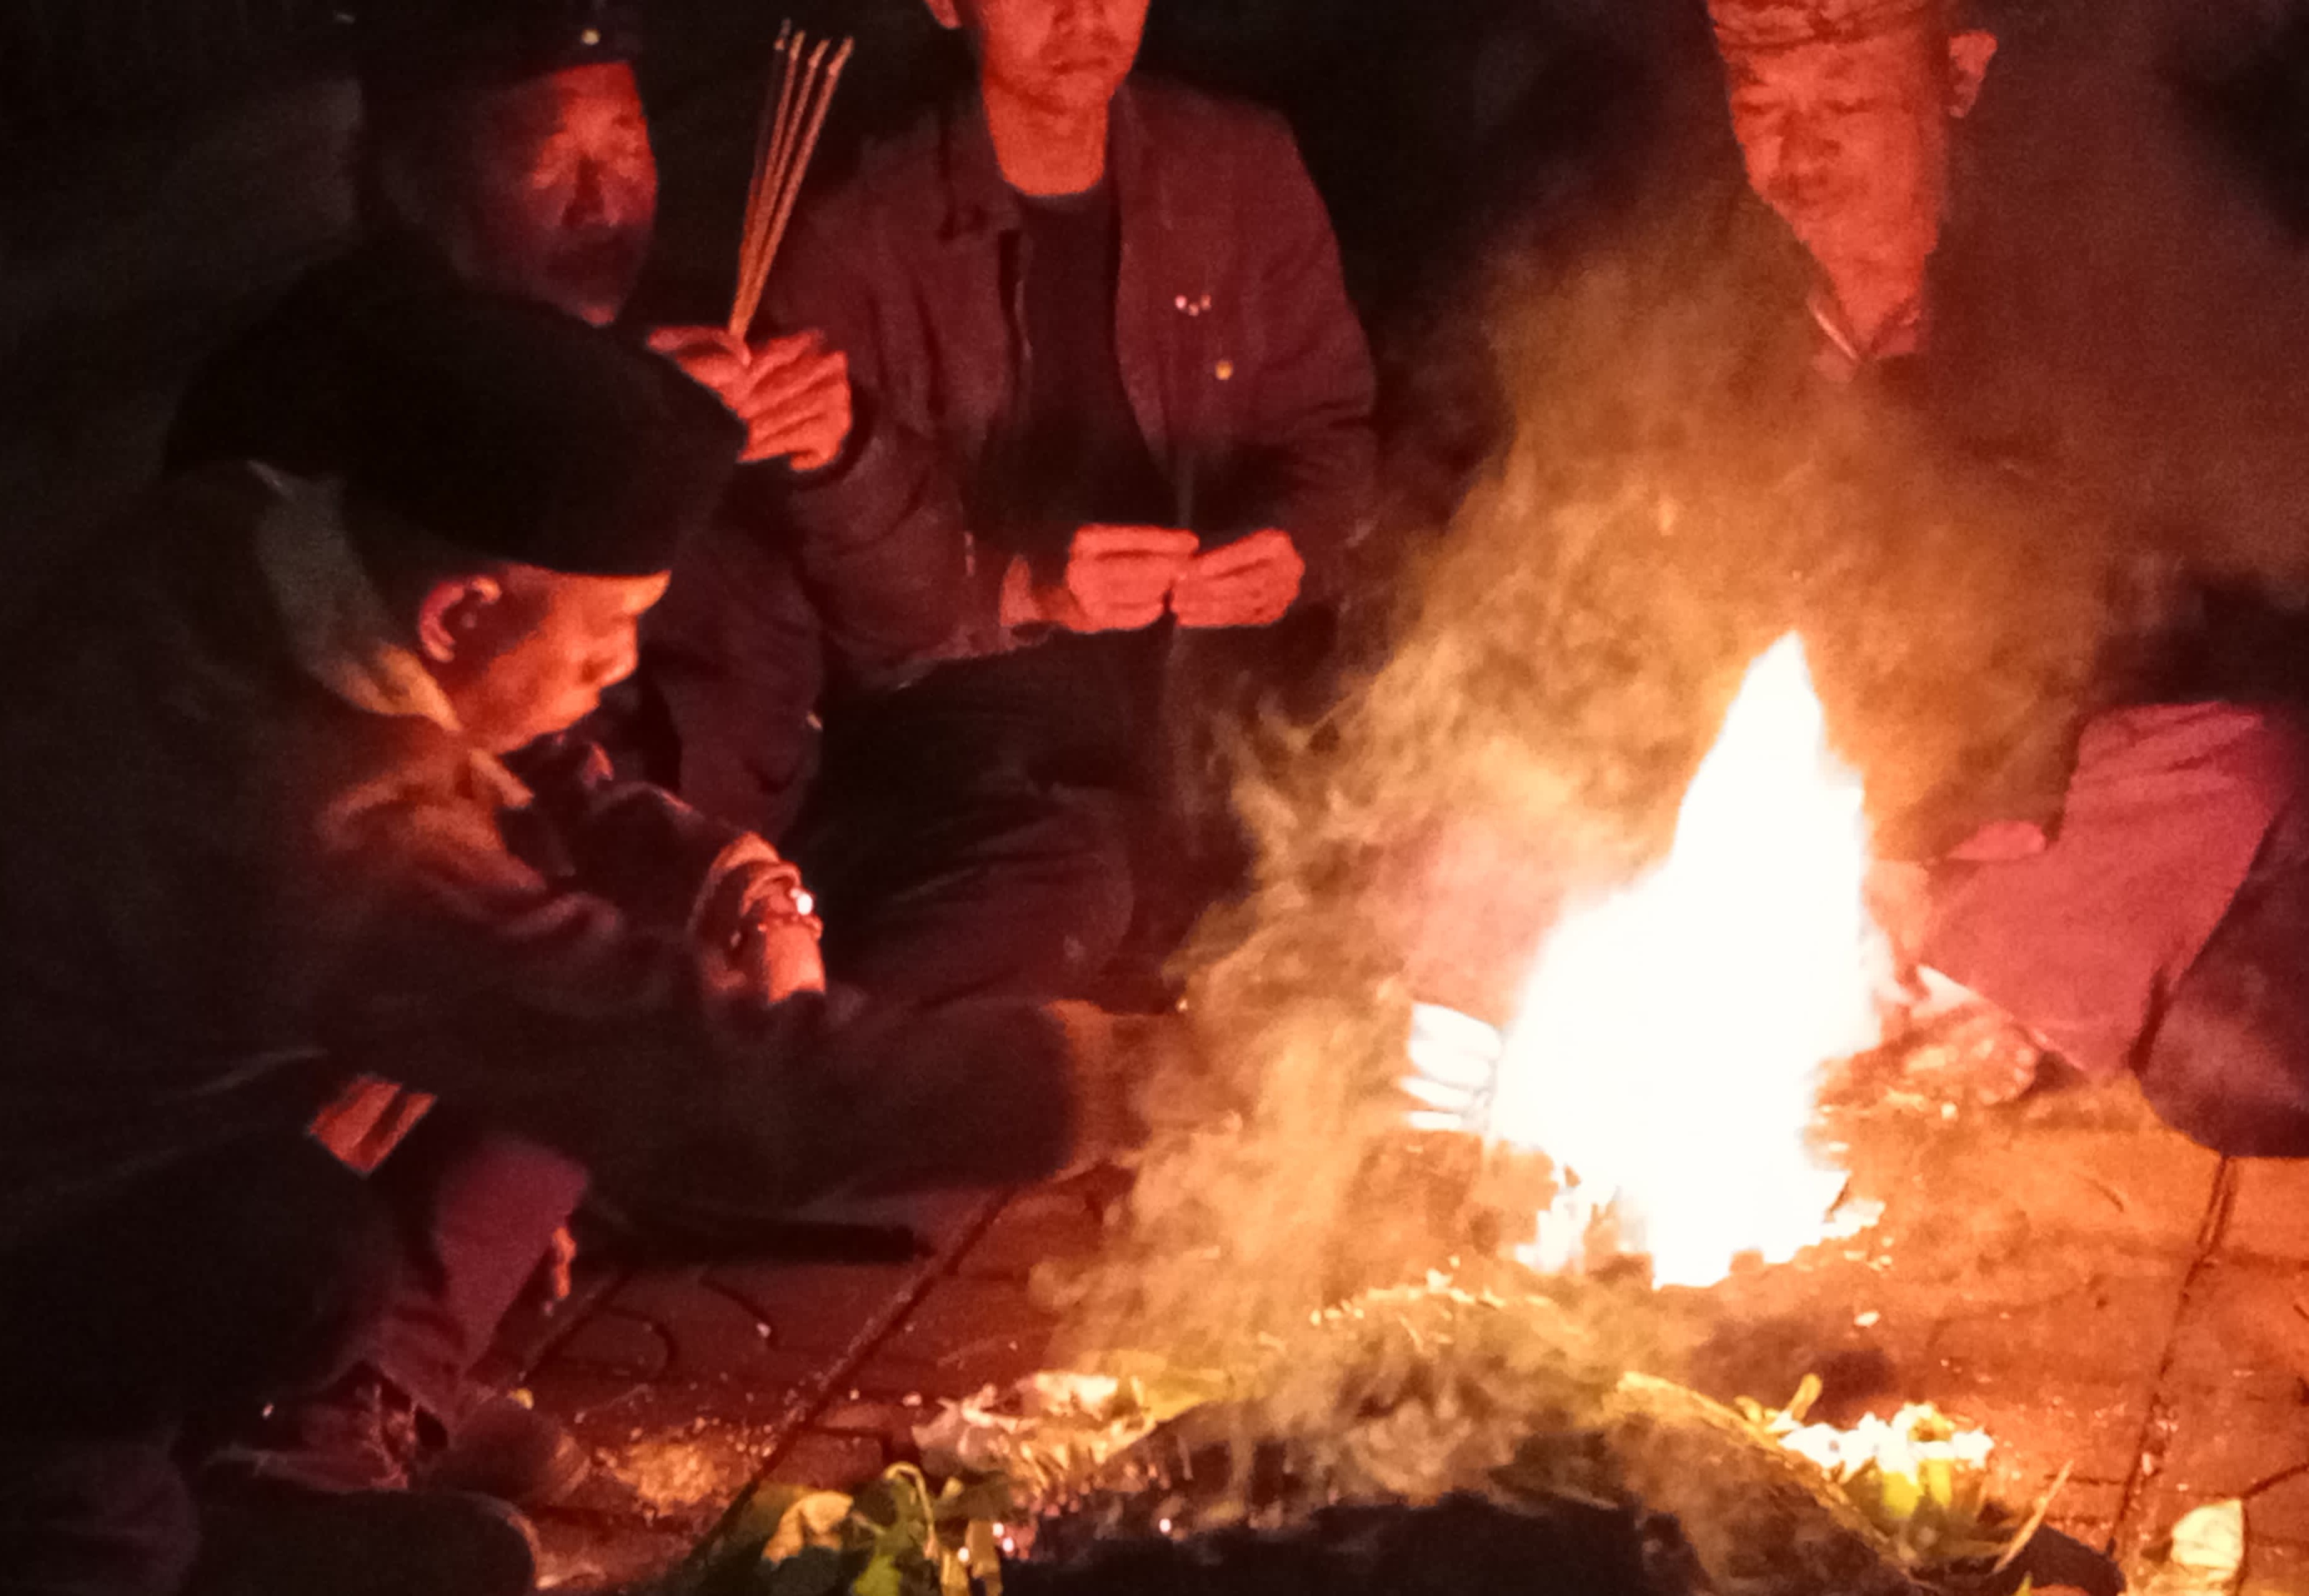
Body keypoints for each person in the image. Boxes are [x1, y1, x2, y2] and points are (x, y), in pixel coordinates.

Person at [2, 283, 1094, 1595]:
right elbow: (702, 1079)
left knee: (309, 1247)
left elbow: (511, 751)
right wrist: (1100, 1080)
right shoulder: (334, 839)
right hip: (37, 1224)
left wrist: (710, 866)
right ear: (462, 612)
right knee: (103, 1527)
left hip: (136, 1152)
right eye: (610, 631)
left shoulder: (234, 532)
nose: (620, 673)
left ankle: (221, 1491)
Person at [161, 0, 863, 1522]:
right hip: (254, 930)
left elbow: (722, 670)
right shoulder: (336, 394)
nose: (611, 199)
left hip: (488, 843)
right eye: (553, 160)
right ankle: (326, 1405)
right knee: (575, 936)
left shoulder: (626, 337)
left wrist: (847, 456)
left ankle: (393, 1358)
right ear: (412, 178)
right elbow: (415, 758)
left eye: (630, 146)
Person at [1403, 0, 2309, 1158]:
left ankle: (1961, 997)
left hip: (2036, 788)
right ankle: (1452, 1136)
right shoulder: (1706, 306)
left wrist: (1906, 834)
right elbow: (1615, 575)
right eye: (1764, 105)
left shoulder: (2085, 297)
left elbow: (2147, 626)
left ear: (1960, 75)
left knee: (2219, 795)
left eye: (1844, 102)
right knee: (1486, 814)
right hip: (1787, 771)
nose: (1799, 151)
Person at [648, 0, 1379, 1006]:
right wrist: (1032, 588)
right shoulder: (859, 227)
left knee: (1418, 815)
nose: (1083, 15)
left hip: (1211, 698)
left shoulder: (1236, 171)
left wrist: (1292, 546)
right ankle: (814, 1101)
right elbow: (876, 612)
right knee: (1062, 883)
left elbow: (1329, 434)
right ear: (949, 4)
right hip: (969, 722)